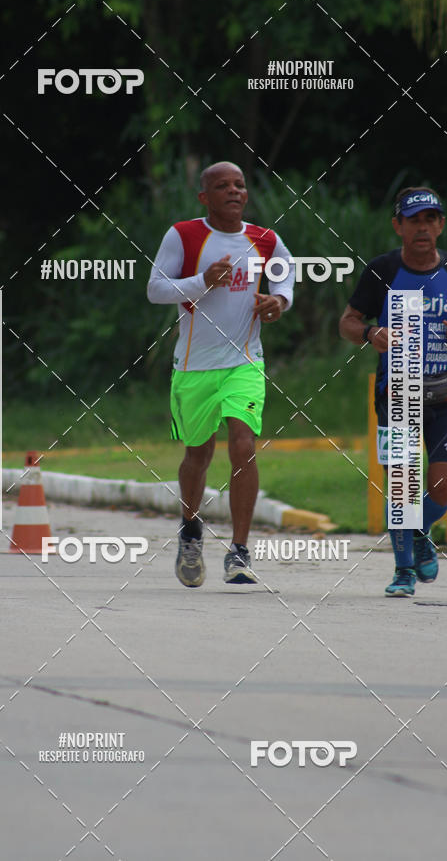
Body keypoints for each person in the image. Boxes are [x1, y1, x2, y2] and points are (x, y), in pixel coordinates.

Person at [147, 161, 295, 587]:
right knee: (198, 455)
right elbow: (155, 289)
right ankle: (191, 532)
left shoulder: (265, 239)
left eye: (240, 184)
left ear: (246, 194)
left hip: (245, 362)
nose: (233, 191)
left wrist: (279, 303)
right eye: (222, 186)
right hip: (194, 367)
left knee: (244, 443)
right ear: (204, 198)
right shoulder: (184, 235)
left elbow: (286, 277)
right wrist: (200, 282)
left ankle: (240, 550)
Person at [339, 186, 447, 596]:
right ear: (398, 226)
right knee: (401, 482)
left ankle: (420, 530)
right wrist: (371, 333)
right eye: (414, 220)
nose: (423, 228)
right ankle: (403, 572)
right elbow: (347, 322)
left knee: (445, 484)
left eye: (430, 220)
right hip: (398, 392)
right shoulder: (382, 270)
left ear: (440, 225)